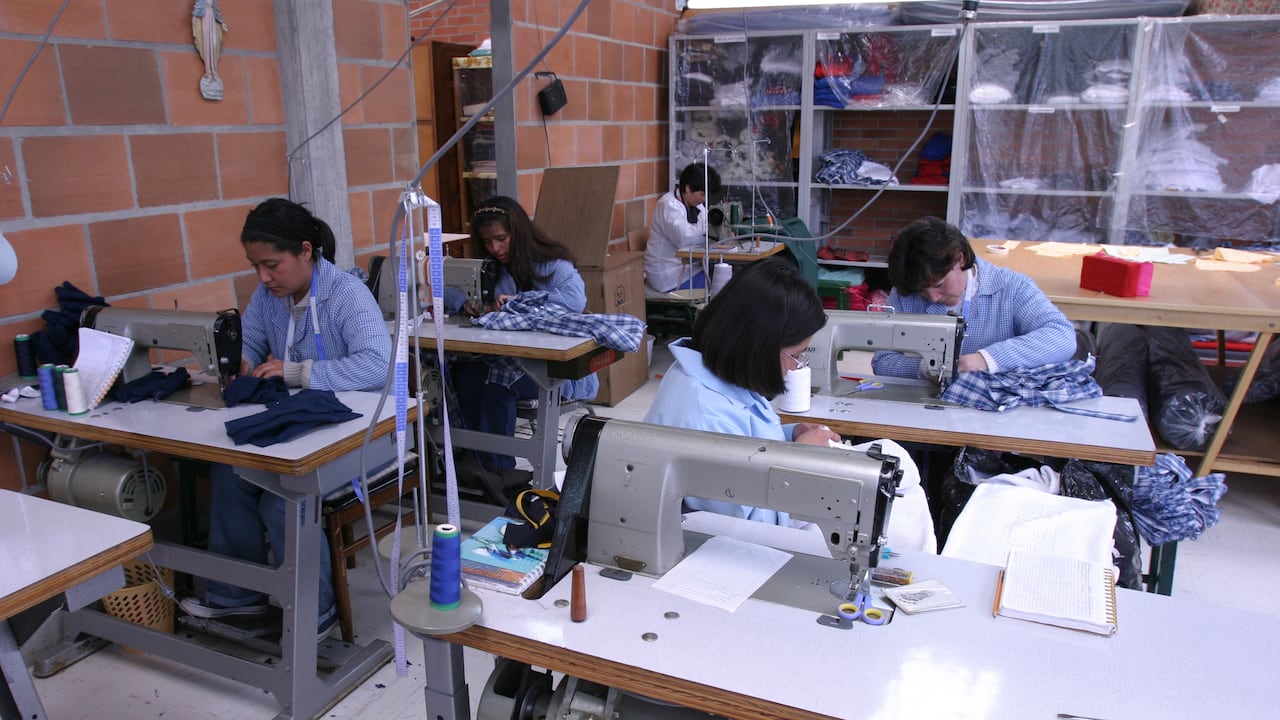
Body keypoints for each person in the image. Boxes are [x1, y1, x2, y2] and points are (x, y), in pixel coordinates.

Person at [179, 198, 392, 638]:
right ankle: (237, 599)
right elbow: (252, 342)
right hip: (303, 426)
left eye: (271, 265)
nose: (262, 276)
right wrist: (238, 362)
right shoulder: (267, 296)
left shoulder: (345, 294)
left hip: (365, 433)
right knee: (230, 473)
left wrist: (298, 372)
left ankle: (317, 611)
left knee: (285, 496)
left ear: (306, 250)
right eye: (256, 266)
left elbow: (377, 365)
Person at [644, 258, 936, 551]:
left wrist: (791, 433)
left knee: (894, 472)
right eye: (795, 356)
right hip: (734, 547)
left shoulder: (718, 373)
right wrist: (803, 460)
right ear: (759, 347)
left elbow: (749, 444)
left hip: (765, 504)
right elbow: (754, 532)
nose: (795, 368)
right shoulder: (704, 416)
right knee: (896, 525)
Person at [442, 196, 598, 472]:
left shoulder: (555, 265)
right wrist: (462, 303)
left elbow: (575, 301)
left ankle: (500, 473)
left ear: (520, 233)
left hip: (557, 368)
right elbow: (445, 287)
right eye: (488, 242)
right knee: (464, 376)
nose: (495, 247)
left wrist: (519, 301)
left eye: (501, 238)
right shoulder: (493, 268)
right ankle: (473, 467)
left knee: (496, 386)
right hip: (511, 358)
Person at [871, 216, 1077, 381]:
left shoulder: (1012, 288)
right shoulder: (907, 293)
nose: (932, 298)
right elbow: (883, 360)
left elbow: (1062, 337)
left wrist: (987, 360)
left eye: (939, 285)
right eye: (923, 292)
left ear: (959, 259)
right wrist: (925, 368)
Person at [645, 162, 722, 293]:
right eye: (702, 194)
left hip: (686, 268)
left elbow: (703, 228)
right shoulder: (668, 206)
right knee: (722, 284)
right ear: (688, 188)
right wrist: (713, 231)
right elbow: (685, 239)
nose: (703, 199)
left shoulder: (696, 204)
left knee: (724, 274)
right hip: (668, 274)